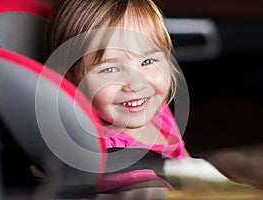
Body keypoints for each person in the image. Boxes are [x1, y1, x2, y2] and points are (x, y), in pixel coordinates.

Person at [47, 0, 189, 193]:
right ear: (70, 80)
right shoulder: (108, 158)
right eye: (110, 69)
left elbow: (187, 165)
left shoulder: (157, 112)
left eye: (148, 61)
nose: (137, 83)